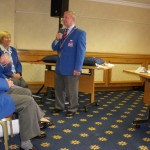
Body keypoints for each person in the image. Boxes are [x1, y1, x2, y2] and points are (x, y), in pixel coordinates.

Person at [0, 55, 53, 150]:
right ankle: (26, 144)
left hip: (2, 89)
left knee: (26, 92)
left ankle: (31, 129)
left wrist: (4, 64)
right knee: (27, 102)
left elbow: (3, 72)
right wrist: (5, 83)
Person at [52, 11, 86, 116]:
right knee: (59, 89)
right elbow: (54, 47)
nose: (64, 19)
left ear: (73, 19)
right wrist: (57, 39)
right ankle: (59, 106)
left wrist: (78, 68)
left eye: (66, 17)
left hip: (72, 68)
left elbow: (81, 52)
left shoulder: (80, 33)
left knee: (71, 90)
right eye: (63, 18)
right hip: (60, 66)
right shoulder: (61, 31)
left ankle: (72, 108)